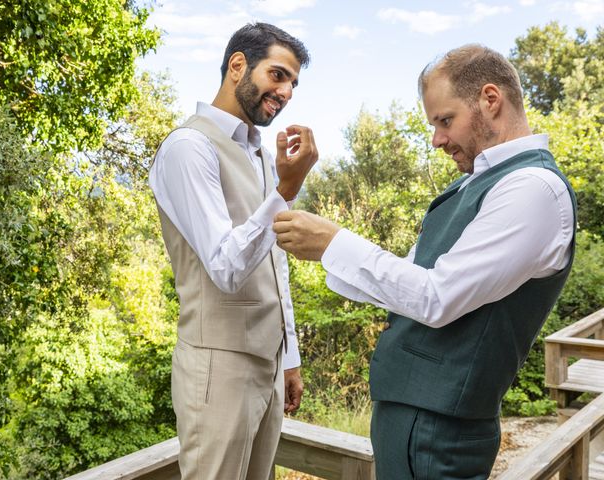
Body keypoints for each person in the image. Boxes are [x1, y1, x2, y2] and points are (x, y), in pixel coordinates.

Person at [273, 44, 576, 479]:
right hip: (414, 420)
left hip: (441, 429)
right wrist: (321, 244)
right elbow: (409, 284)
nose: (437, 140)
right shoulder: (476, 186)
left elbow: (437, 298)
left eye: (445, 120)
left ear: (491, 100)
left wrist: (332, 242)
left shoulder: (533, 189)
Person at [149, 22, 317, 480]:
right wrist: (286, 189)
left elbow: (273, 261)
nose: (285, 93)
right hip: (216, 369)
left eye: (293, 84)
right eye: (278, 75)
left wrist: (289, 357)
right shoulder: (189, 147)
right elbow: (224, 266)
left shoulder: (261, 155)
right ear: (238, 65)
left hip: (268, 365)